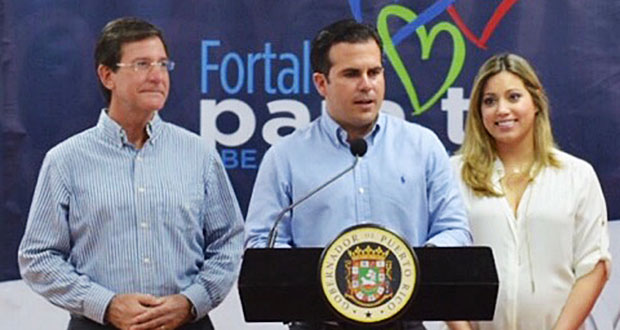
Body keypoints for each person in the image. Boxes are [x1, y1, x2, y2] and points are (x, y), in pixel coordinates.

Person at [18, 17, 244, 330]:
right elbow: (38, 256)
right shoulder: (66, 160)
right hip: (99, 325)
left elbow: (229, 240)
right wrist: (105, 305)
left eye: (163, 64)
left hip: (187, 323)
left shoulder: (199, 154)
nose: (157, 76)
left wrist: (192, 301)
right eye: (141, 64)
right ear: (107, 75)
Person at [245, 19, 471, 330]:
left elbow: (455, 229)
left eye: (374, 72)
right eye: (352, 74)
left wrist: (410, 265)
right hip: (319, 323)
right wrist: (319, 274)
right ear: (321, 83)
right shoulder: (286, 157)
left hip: (403, 322)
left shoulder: (423, 146)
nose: (367, 85)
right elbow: (261, 243)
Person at [449, 53, 611, 330]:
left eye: (513, 97)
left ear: (536, 102)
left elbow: (593, 266)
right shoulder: (453, 174)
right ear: (478, 111)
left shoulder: (576, 175)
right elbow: (442, 269)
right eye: (490, 101)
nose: (502, 110)